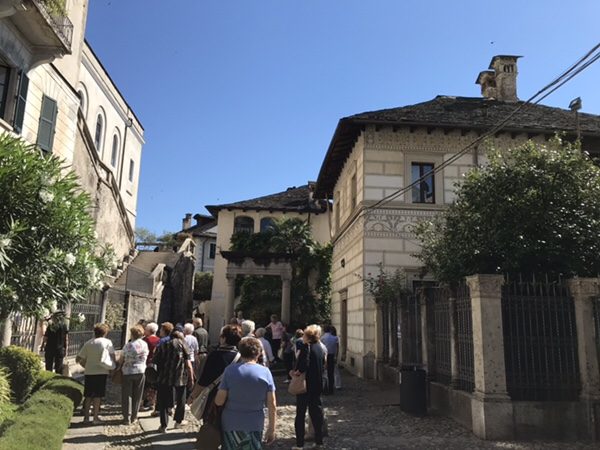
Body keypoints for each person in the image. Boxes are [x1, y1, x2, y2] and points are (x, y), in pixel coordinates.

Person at [215, 337, 276, 449]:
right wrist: (271, 428)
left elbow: (219, 401)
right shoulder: (265, 372)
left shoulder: (230, 370)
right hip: (254, 423)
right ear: (258, 353)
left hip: (231, 421)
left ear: (240, 352)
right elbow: (272, 404)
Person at [187, 324, 241, 419]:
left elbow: (204, 379)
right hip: (233, 397)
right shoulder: (240, 357)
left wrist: (192, 396)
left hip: (214, 396)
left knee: (212, 424)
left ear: (224, 338)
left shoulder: (215, 356)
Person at [153, 328, 194, 432]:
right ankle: (178, 422)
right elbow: (188, 364)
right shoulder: (184, 345)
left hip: (164, 377)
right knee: (181, 400)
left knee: (163, 401)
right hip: (180, 377)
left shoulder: (163, 345)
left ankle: (163, 425)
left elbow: (156, 360)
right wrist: (191, 378)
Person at [292, 324, 326, 450]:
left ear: (307, 336)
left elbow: (303, 365)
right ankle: (319, 441)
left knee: (300, 414)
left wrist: (297, 372)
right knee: (316, 413)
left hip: (305, 385)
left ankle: (300, 444)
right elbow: (323, 363)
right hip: (317, 384)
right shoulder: (320, 347)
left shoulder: (306, 347)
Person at [76, 323, 115, 424]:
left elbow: (78, 358)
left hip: (89, 372)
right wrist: (112, 368)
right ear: (105, 332)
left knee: (88, 395)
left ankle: (86, 418)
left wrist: (86, 365)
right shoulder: (107, 342)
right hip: (102, 371)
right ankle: (95, 417)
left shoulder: (89, 343)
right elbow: (112, 356)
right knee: (98, 396)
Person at [120, 325, 149, 424]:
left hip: (128, 371)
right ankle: (134, 416)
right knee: (137, 395)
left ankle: (126, 417)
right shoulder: (144, 344)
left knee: (127, 395)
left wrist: (119, 366)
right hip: (140, 370)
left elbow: (121, 358)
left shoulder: (128, 345)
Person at [142, 322, 160, 411]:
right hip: (155, 365)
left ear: (149, 330)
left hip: (146, 364)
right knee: (154, 385)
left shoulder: (145, 340)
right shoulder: (159, 340)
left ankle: (142, 403)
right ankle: (152, 402)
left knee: (145, 385)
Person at [321, 325, 339, 395]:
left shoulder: (322, 338)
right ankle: (331, 389)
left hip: (324, 356)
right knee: (331, 373)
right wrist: (336, 356)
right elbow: (337, 348)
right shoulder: (335, 338)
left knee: (324, 373)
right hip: (332, 356)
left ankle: (325, 389)